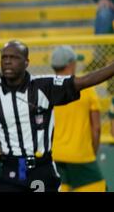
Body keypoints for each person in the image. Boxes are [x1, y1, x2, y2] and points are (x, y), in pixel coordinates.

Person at [0, 40, 114, 192]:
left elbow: (83, 82)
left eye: (14, 57)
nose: (8, 61)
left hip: (40, 167)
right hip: (10, 167)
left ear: (27, 62)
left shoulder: (43, 87)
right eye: (4, 57)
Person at [51, 46, 106, 192]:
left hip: (53, 155)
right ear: (70, 64)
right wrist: (92, 152)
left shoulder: (46, 87)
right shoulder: (86, 89)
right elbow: (97, 128)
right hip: (80, 155)